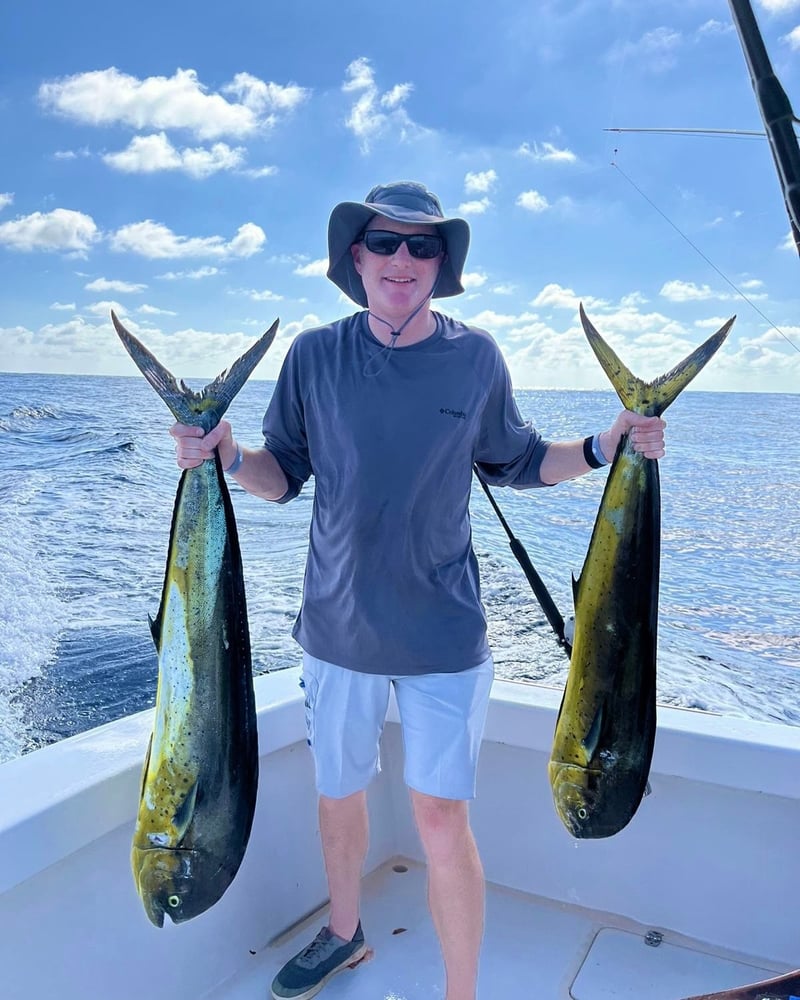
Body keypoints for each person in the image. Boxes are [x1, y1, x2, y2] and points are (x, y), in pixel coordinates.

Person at [171, 181, 666, 1000]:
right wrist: (221, 456)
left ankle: (461, 992)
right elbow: (280, 476)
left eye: (423, 245)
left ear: (442, 264)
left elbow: (520, 461)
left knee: (440, 819)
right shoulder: (314, 356)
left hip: (444, 637)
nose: (403, 260)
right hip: (335, 630)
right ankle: (344, 933)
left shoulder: (476, 358)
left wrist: (605, 443)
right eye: (385, 242)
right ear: (355, 257)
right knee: (337, 796)